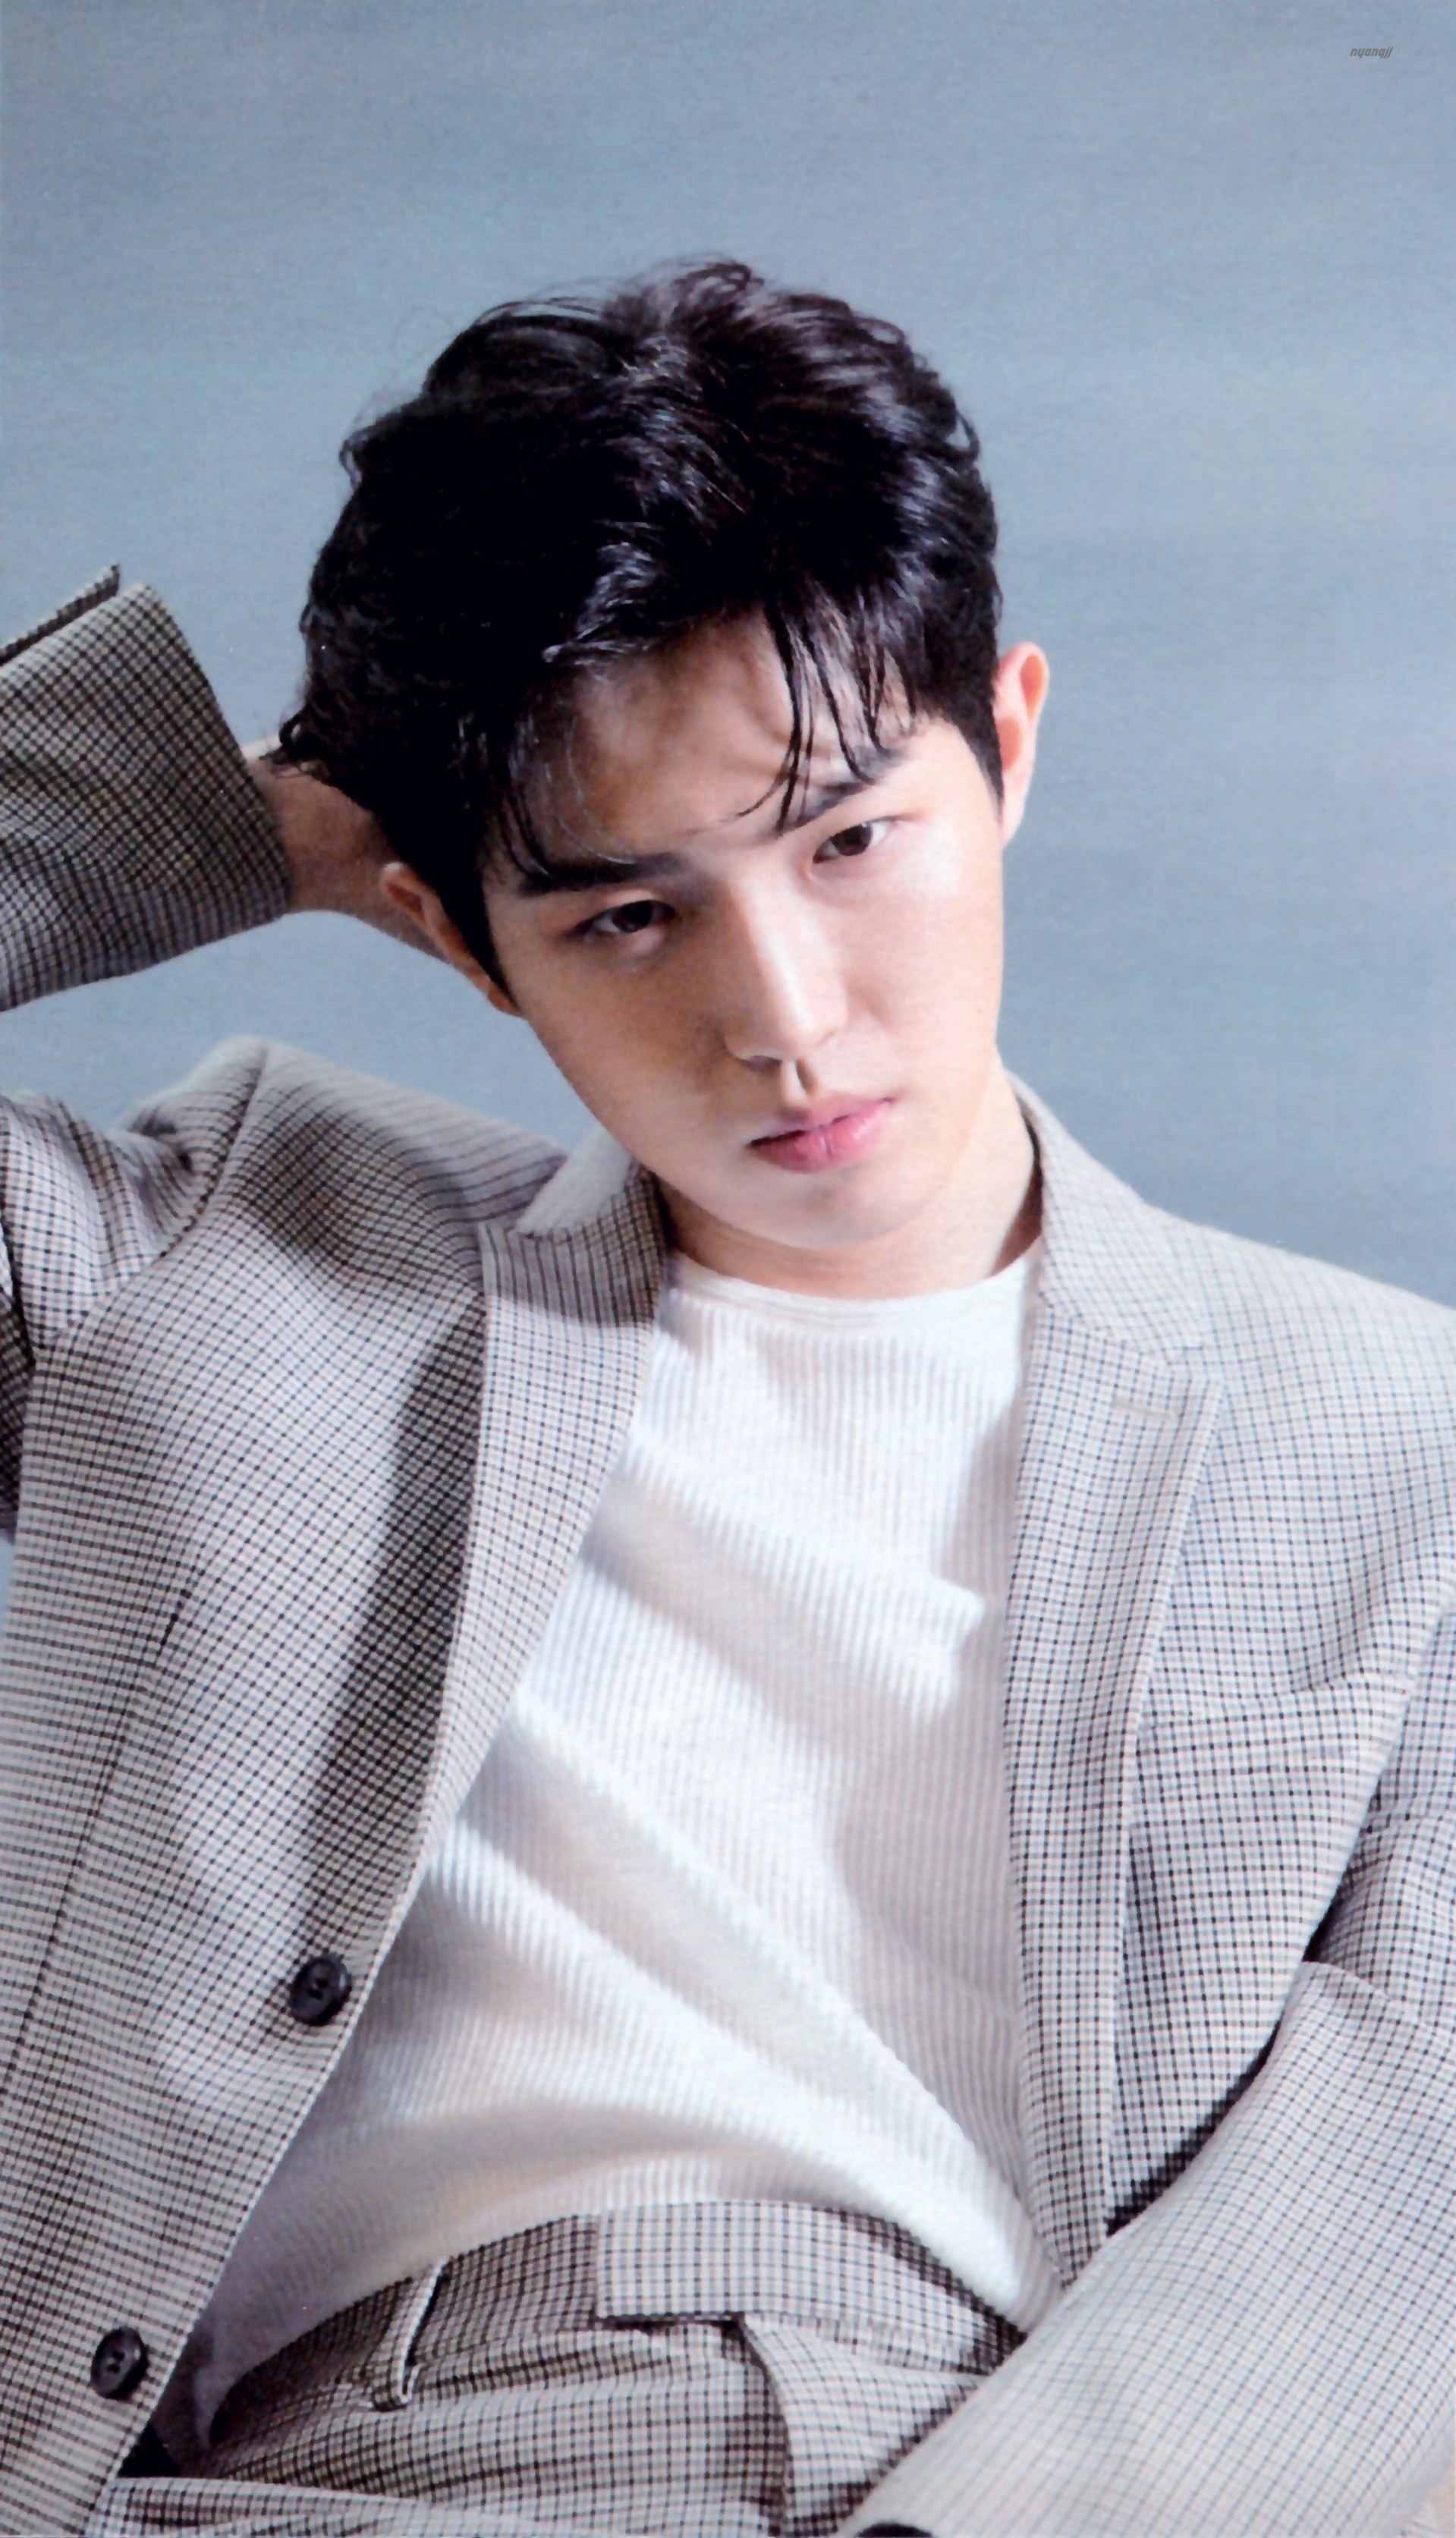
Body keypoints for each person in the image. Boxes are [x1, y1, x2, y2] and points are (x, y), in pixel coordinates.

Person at [0, 263, 1450, 2538]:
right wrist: (241, 821)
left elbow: (1416, 2172)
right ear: (457, 936)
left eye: (850, 838)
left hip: (1030, 2477)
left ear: (1012, 742)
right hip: (340, 2480)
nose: (784, 1016)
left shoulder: (1395, 1442)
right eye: (628, 915)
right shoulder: (238, 1261)